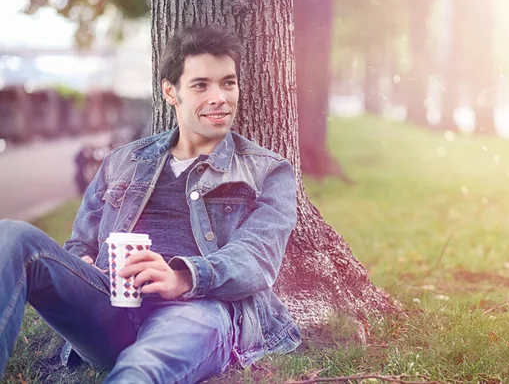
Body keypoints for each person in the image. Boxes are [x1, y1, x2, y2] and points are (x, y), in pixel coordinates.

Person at [0, 25, 301, 383]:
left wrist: (181, 277)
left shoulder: (267, 170)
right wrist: (84, 264)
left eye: (228, 83)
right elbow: (81, 243)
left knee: (142, 370)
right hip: (111, 305)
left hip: (196, 311)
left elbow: (258, 258)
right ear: (170, 92)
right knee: (12, 235)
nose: (219, 97)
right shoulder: (123, 160)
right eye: (201, 85)